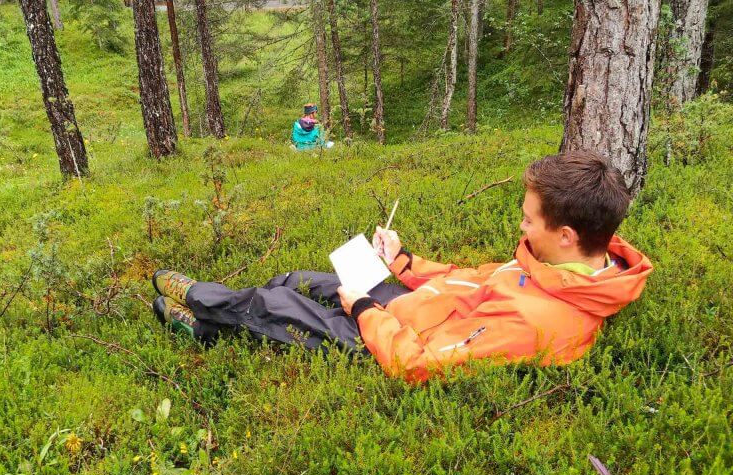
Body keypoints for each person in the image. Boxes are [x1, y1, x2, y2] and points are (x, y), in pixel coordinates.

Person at [151, 151, 653, 383]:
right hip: (419, 309)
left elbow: (422, 366)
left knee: (275, 302)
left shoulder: (543, 323)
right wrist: (404, 262)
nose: (521, 229)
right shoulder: (558, 265)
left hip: (391, 341)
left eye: (528, 220)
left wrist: (367, 309)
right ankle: (213, 328)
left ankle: (198, 304)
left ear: (566, 234)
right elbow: (469, 279)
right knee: (299, 281)